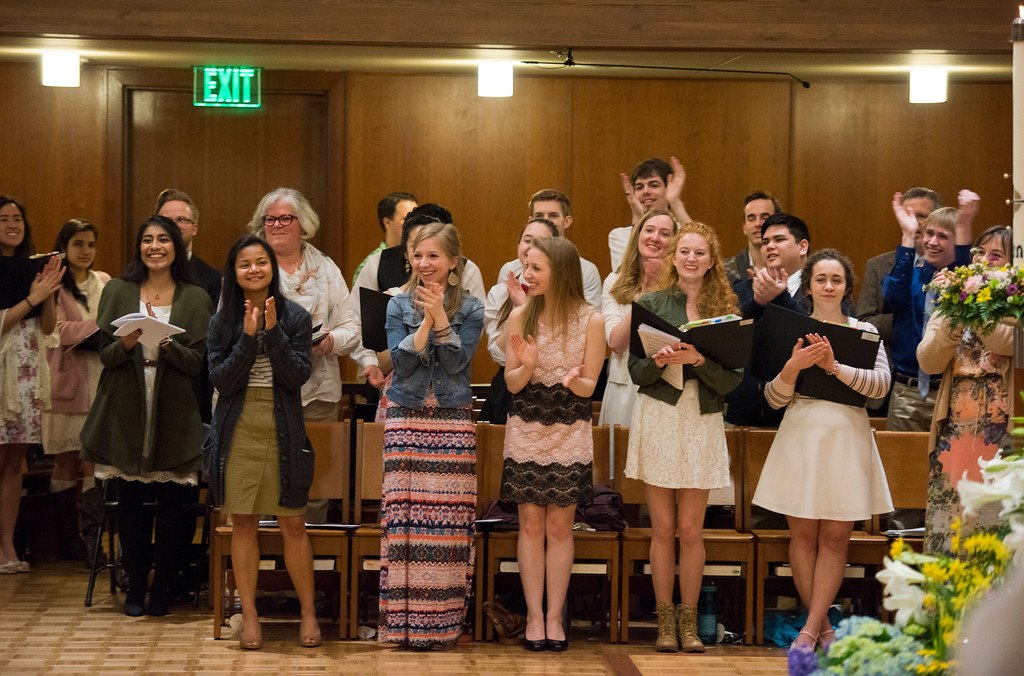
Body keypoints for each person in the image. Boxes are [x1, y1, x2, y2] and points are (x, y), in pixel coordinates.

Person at [752, 248, 892, 649]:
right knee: (804, 538)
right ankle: (823, 628)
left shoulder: (864, 331)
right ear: (808, 285)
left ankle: (811, 629)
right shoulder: (789, 329)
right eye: (820, 279)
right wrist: (792, 368)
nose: (828, 286)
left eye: (836, 280)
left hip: (847, 437)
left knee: (835, 539)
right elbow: (773, 399)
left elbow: (880, 388)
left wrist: (834, 366)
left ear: (847, 286)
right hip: (802, 435)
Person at [80, 215, 211, 616]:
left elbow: (196, 364)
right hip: (127, 403)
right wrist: (127, 343)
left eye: (163, 240)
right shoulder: (118, 290)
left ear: (176, 246)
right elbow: (104, 354)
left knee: (174, 506)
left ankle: (162, 588)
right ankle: (135, 587)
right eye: (147, 240)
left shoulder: (195, 296)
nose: (155, 246)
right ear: (139, 247)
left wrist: (166, 342)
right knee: (132, 505)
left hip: (173, 404)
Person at [626, 222, 742, 653]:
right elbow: (635, 372)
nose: (691, 258)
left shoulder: (727, 310)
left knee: (692, 529)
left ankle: (690, 625)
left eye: (700, 253)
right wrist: (658, 361)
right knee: (663, 527)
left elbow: (733, 381)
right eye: (685, 252)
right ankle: (664, 624)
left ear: (712, 262)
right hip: (660, 414)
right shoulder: (653, 303)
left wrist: (698, 360)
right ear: (673, 258)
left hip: (701, 417)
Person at [205, 234, 320, 649]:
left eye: (261, 262)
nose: (254, 269)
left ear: (272, 267)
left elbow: (296, 377)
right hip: (238, 427)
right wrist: (245, 338)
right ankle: (249, 617)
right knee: (244, 523)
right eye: (244, 264)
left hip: (283, 425)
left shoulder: (296, 317)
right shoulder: (221, 321)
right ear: (233, 274)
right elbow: (220, 381)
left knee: (292, 521)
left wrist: (271, 334)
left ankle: (308, 615)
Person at [379, 222, 484, 649]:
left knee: (447, 524)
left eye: (434, 256)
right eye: (418, 256)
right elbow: (400, 367)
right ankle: (401, 625)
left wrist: (443, 318)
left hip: (452, 420)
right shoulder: (395, 304)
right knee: (405, 520)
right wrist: (426, 322)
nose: (425, 264)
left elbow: (459, 365)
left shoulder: (473, 307)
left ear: (453, 261)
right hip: (405, 418)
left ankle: (440, 626)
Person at [501, 237, 605, 652]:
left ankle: (555, 616)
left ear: (560, 272)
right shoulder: (521, 315)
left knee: (561, 526)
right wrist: (525, 367)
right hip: (526, 426)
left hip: (569, 428)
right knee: (530, 524)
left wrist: (572, 380)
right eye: (527, 266)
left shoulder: (591, 319)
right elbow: (511, 383)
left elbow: (589, 387)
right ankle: (533, 616)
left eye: (536, 267)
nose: (527, 274)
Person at [917, 225, 1014, 555]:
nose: (985, 261)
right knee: (952, 526)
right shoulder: (952, 301)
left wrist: (973, 302)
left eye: (996, 255)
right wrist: (954, 318)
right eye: (979, 254)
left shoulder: (1017, 301)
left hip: (1003, 435)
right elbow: (928, 360)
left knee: (993, 527)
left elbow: (1008, 342)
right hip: (954, 432)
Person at [42, 219, 110, 563]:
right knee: (66, 460)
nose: (85, 251)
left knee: (93, 461)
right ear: (64, 248)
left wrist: (94, 331)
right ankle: (67, 538)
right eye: (78, 244)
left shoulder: (105, 282)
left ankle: (92, 537)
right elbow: (57, 330)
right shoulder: (53, 285)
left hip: (102, 382)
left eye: (91, 244)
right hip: (67, 382)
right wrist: (98, 328)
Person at [0, 196, 62, 574]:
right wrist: (33, 297)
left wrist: (48, 294)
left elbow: (48, 327)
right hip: (1, 366)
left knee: (13, 462)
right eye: (4, 218)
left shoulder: (30, 266)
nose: (12, 224)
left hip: (25, 369)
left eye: (17, 218)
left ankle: (8, 545)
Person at [882, 190, 976, 433]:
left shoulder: (962, 283)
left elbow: (962, 266)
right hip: (907, 393)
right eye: (929, 234)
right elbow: (892, 295)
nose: (932, 242)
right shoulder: (909, 276)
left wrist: (965, 224)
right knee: (898, 467)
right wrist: (907, 234)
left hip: (951, 390)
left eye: (942, 236)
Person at [599, 209, 677, 432]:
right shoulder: (614, 281)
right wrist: (646, 296)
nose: (654, 237)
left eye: (664, 233)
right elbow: (615, 343)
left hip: (664, 388)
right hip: (623, 387)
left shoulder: (681, 285)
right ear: (638, 235)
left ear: (674, 243)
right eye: (649, 230)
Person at [479, 217, 559, 422]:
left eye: (542, 241)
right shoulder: (500, 293)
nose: (532, 247)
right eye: (527, 240)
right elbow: (498, 355)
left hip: (554, 391)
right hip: (509, 392)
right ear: (518, 246)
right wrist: (519, 311)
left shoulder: (563, 295)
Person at [156, 189, 220, 424]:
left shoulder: (212, 280)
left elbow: (208, 343)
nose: (174, 225)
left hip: (192, 390)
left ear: (195, 228)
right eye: (166, 220)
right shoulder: (135, 280)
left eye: (181, 219)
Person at [858, 187, 942, 350]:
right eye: (907, 216)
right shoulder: (877, 266)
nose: (913, 222)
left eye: (921, 216)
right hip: (893, 369)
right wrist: (911, 318)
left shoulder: (952, 266)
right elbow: (864, 322)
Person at [495, 190, 602, 309]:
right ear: (530, 221)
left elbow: (589, 319)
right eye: (539, 216)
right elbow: (502, 316)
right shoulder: (510, 270)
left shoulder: (586, 271)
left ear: (567, 221)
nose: (546, 220)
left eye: (553, 215)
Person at [609, 157, 693, 272]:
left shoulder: (683, 230)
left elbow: (701, 256)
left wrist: (675, 202)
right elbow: (624, 276)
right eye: (639, 187)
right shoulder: (619, 236)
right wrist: (638, 219)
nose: (645, 191)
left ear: (668, 188)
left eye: (653, 185)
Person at [353, 192, 417, 282]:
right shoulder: (373, 264)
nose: (415, 224)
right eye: (407, 219)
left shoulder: (422, 258)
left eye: (416, 218)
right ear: (387, 222)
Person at [722, 191, 782, 286]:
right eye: (751, 218)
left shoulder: (792, 267)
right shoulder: (724, 270)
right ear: (744, 227)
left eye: (764, 217)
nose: (758, 224)